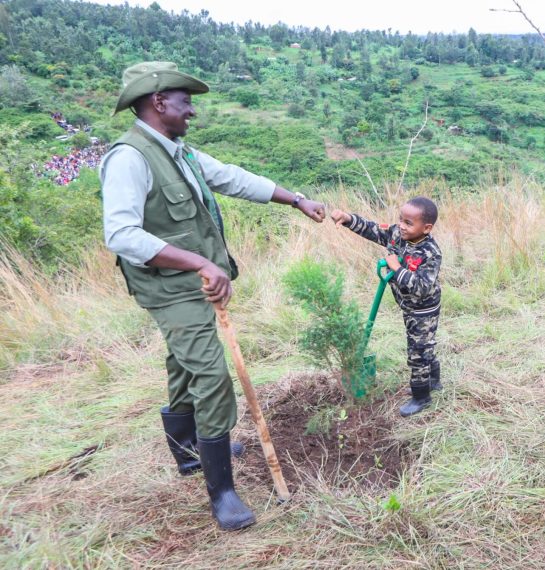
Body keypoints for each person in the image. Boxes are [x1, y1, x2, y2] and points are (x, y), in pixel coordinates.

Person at [100, 62, 326, 531]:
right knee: (210, 373)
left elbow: (232, 178)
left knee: (183, 362)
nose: (192, 111)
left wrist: (297, 199)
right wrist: (200, 262)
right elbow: (121, 234)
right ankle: (222, 492)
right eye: (185, 101)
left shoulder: (179, 151)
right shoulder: (130, 158)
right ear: (158, 102)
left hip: (187, 282)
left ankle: (189, 452)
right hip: (167, 287)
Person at [330, 198, 442, 417]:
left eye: (409, 223)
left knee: (418, 352)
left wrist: (397, 268)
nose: (401, 226)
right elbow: (373, 229)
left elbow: (421, 287)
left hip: (423, 309)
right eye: (401, 220)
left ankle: (421, 396)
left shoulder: (430, 253)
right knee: (424, 344)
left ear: (426, 228)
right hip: (407, 306)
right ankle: (433, 381)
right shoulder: (397, 235)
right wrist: (348, 219)